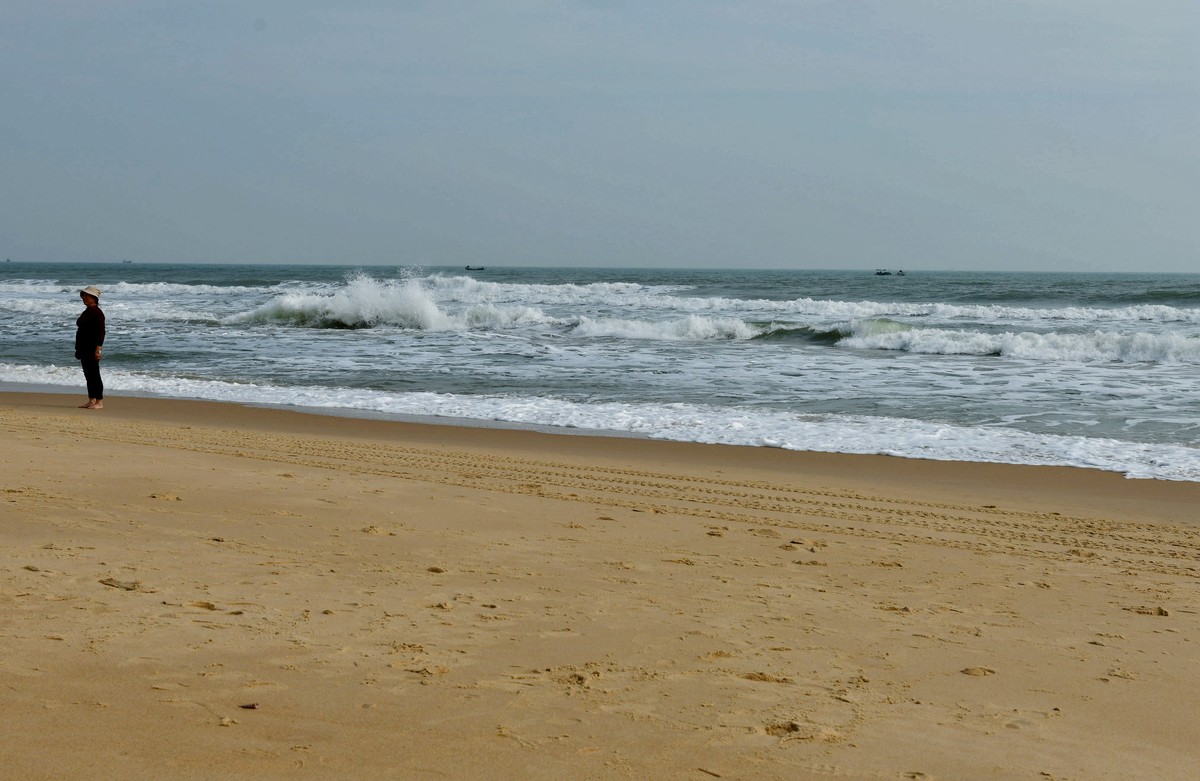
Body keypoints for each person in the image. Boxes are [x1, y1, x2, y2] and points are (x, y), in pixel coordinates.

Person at [75, 285, 106, 409]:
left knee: (94, 374)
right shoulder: (88, 311)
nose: (84, 298)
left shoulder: (97, 312)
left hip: (91, 348)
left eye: (86, 296)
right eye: (83, 296)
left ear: (93, 297)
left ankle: (99, 401)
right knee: (88, 374)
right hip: (84, 348)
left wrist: (98, 350)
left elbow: (101, 332)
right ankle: (91, 400)